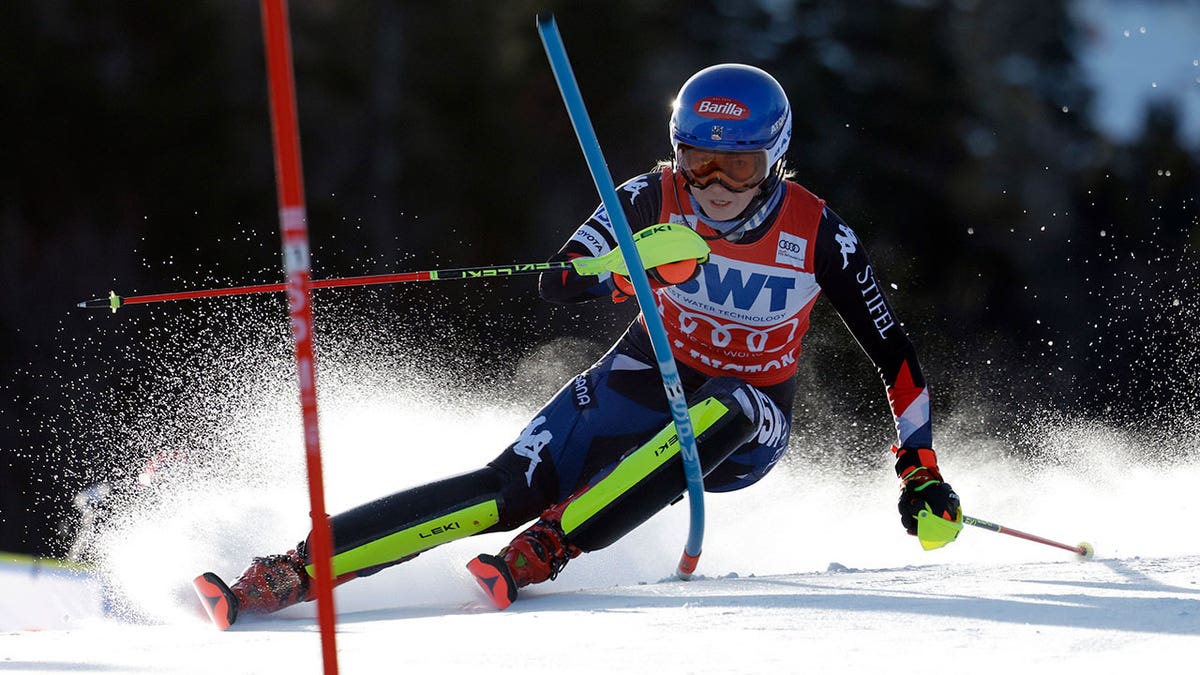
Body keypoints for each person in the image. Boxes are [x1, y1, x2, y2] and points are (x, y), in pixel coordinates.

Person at [194, 63, 961, 628]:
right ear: (678, 152)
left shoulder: (817, 231)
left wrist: (917, 468)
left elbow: (893, 351)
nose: (717, 184)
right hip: (646, 375)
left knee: (733, 402)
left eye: (741, 164)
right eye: (700, 160)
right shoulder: (647, 197)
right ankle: (291, 570)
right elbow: (558, 282)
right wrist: (637, 265)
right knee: (503, 485)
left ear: (775, 159)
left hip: (747, 425)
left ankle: (551, 546)